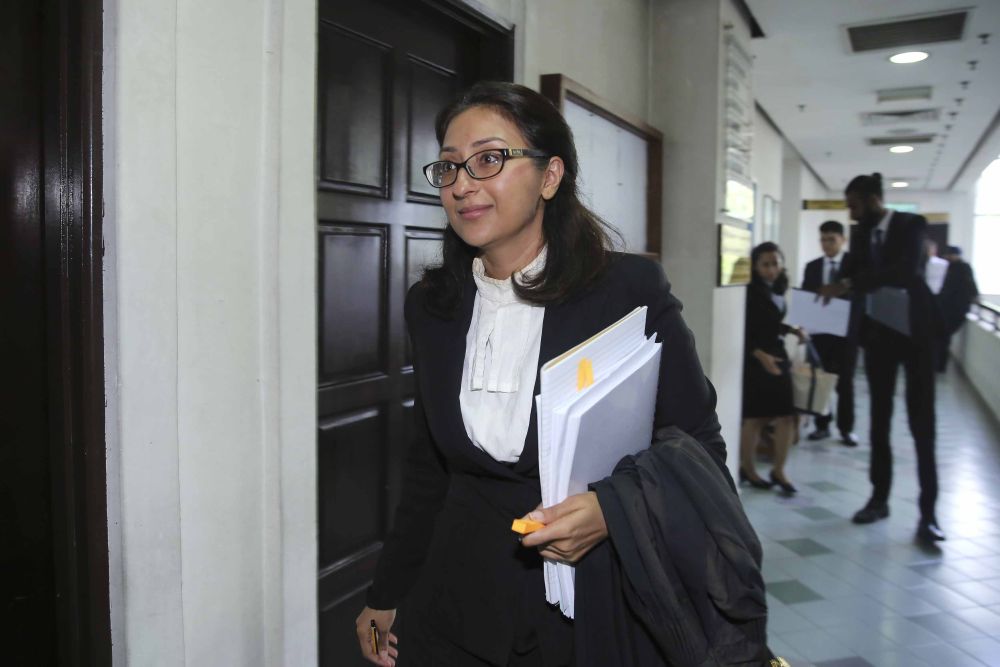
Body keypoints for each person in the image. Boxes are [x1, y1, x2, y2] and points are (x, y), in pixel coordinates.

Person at [353, 82, 747, 666]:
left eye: (489, 159)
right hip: (457, 602)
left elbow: (700, 449)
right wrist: (386, 592)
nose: (462, 184)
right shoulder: (431, 305)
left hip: (587, 606)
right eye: (449, 166)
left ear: (550, 176)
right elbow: (429, 466)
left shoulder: (625, 292)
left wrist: (614, 511)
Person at [817, 172, 945, 545]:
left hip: (916, 336)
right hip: (879, 337)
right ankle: (878, 499)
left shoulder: (911, 224)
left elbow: (906, 272)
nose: (852, 215)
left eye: (855, 206)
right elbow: (850, 272)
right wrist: (841, 284)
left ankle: (929, 514)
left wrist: (853, 282)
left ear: (874, 201)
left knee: (923, 424)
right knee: (880, 422)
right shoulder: (859, 234)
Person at [740, 242, 806, 495]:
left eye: (776, 263)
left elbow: (771, 323)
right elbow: (745, 329)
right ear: (755, 266)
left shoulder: (776, 288)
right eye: (766, 264)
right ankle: (748, 468)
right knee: (755, 417)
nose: (772, 269)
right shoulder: (749, 292)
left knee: (787, 415)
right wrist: (760, 355)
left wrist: (791, 330)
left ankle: (779, 469)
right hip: (756, 360)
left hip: (777, 354)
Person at [800, 220, 859, 446]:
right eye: (823, 239)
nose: (826, 244)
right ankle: (822, 425)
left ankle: (846, 428)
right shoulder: (812, 266)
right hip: (819, 333)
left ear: (842, 240)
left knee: (846, 382)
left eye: (831, 239)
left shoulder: (853, 266)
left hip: (846, 335)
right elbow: (807, 296)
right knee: (821, 379)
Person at [935, 245, 979, 372]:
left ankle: (940, 365)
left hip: (956, 308)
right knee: (942, 335)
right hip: (949, 307)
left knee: (943, 335)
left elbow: (970, 283)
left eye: (950, 255)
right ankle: (939, 365)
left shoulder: (963, 267)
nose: (948, 257)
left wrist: (975, 295)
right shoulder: (951, 267)